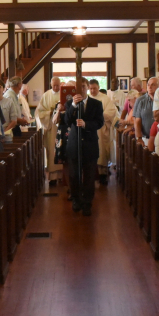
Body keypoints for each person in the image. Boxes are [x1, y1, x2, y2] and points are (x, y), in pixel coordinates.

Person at [64, 77, 104, 215]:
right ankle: (76, 200)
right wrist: (74, 106)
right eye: (78, 87)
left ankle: (87, 203)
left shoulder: (96, 104)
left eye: (84, 86)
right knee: (74, 175)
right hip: (74, 144)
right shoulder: (70, 103)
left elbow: (100, 122)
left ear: (87, 87)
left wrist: (87, 124)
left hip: (90, 144)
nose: (82, 89)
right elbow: (67, 121)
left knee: (89, 176)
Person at [88, 79, 118, 185]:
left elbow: (111, 111)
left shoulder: (104, 99)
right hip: (89, 130)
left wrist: (98, 116)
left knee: (101, 151)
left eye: (94, 88)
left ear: (98, 87)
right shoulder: (86, 99)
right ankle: (91, 175)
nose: (92, 91)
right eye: (90, 88)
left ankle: (102, 174)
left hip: (101, 129)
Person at [35, 77, 64, 185]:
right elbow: (39, 112)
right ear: (51, 84)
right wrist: (50, 112)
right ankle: (52, 177)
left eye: (58, 85)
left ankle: (61, 176)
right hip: (51, 127)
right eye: (54, 85)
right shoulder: (46, 95)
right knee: (52, 151)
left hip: (62, 126)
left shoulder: (64, 94)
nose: (56, 87)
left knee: (62, 150)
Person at [133, 77, 159, 148]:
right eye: (148, 85)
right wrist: (139, 138)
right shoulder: (140, 100)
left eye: (153, 85)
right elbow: (137, 121)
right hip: (145, 138)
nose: (150, 87)